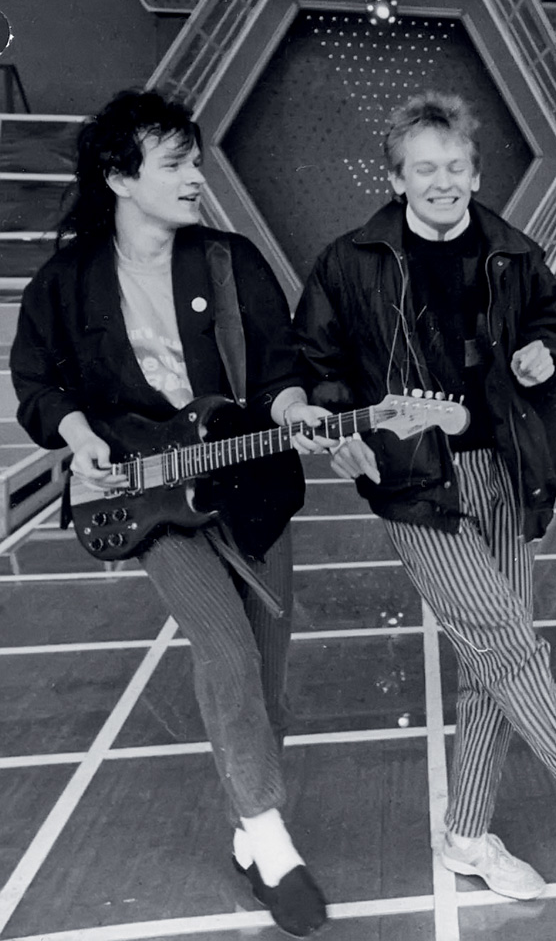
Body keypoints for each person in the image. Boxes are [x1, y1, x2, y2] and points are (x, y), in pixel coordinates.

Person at [294, 92, 556, 899]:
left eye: (456, 166)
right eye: (425, 169)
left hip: (506, 472)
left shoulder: (514, 253)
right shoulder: (349, 262)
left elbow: (554, 329)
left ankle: (465, 835)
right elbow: (315, 361)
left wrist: (542, 354)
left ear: (475, 172)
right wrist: (333, 417)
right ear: (396, 179)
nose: (443, 181)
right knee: (509, 645)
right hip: (415, 483)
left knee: (492, 662)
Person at [10, 91, 330, 935]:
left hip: (252, 485)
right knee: (225, 651)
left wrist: (294, 405)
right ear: (120, 178)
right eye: (176, 164)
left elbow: (281, 366)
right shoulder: (67, 283)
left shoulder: (231, 261)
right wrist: (78, 434)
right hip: (147, 497)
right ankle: (272, 838)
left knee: (264, 678)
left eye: (195, 161)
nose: (195, 178)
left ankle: (247, 835)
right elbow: (38, 382)